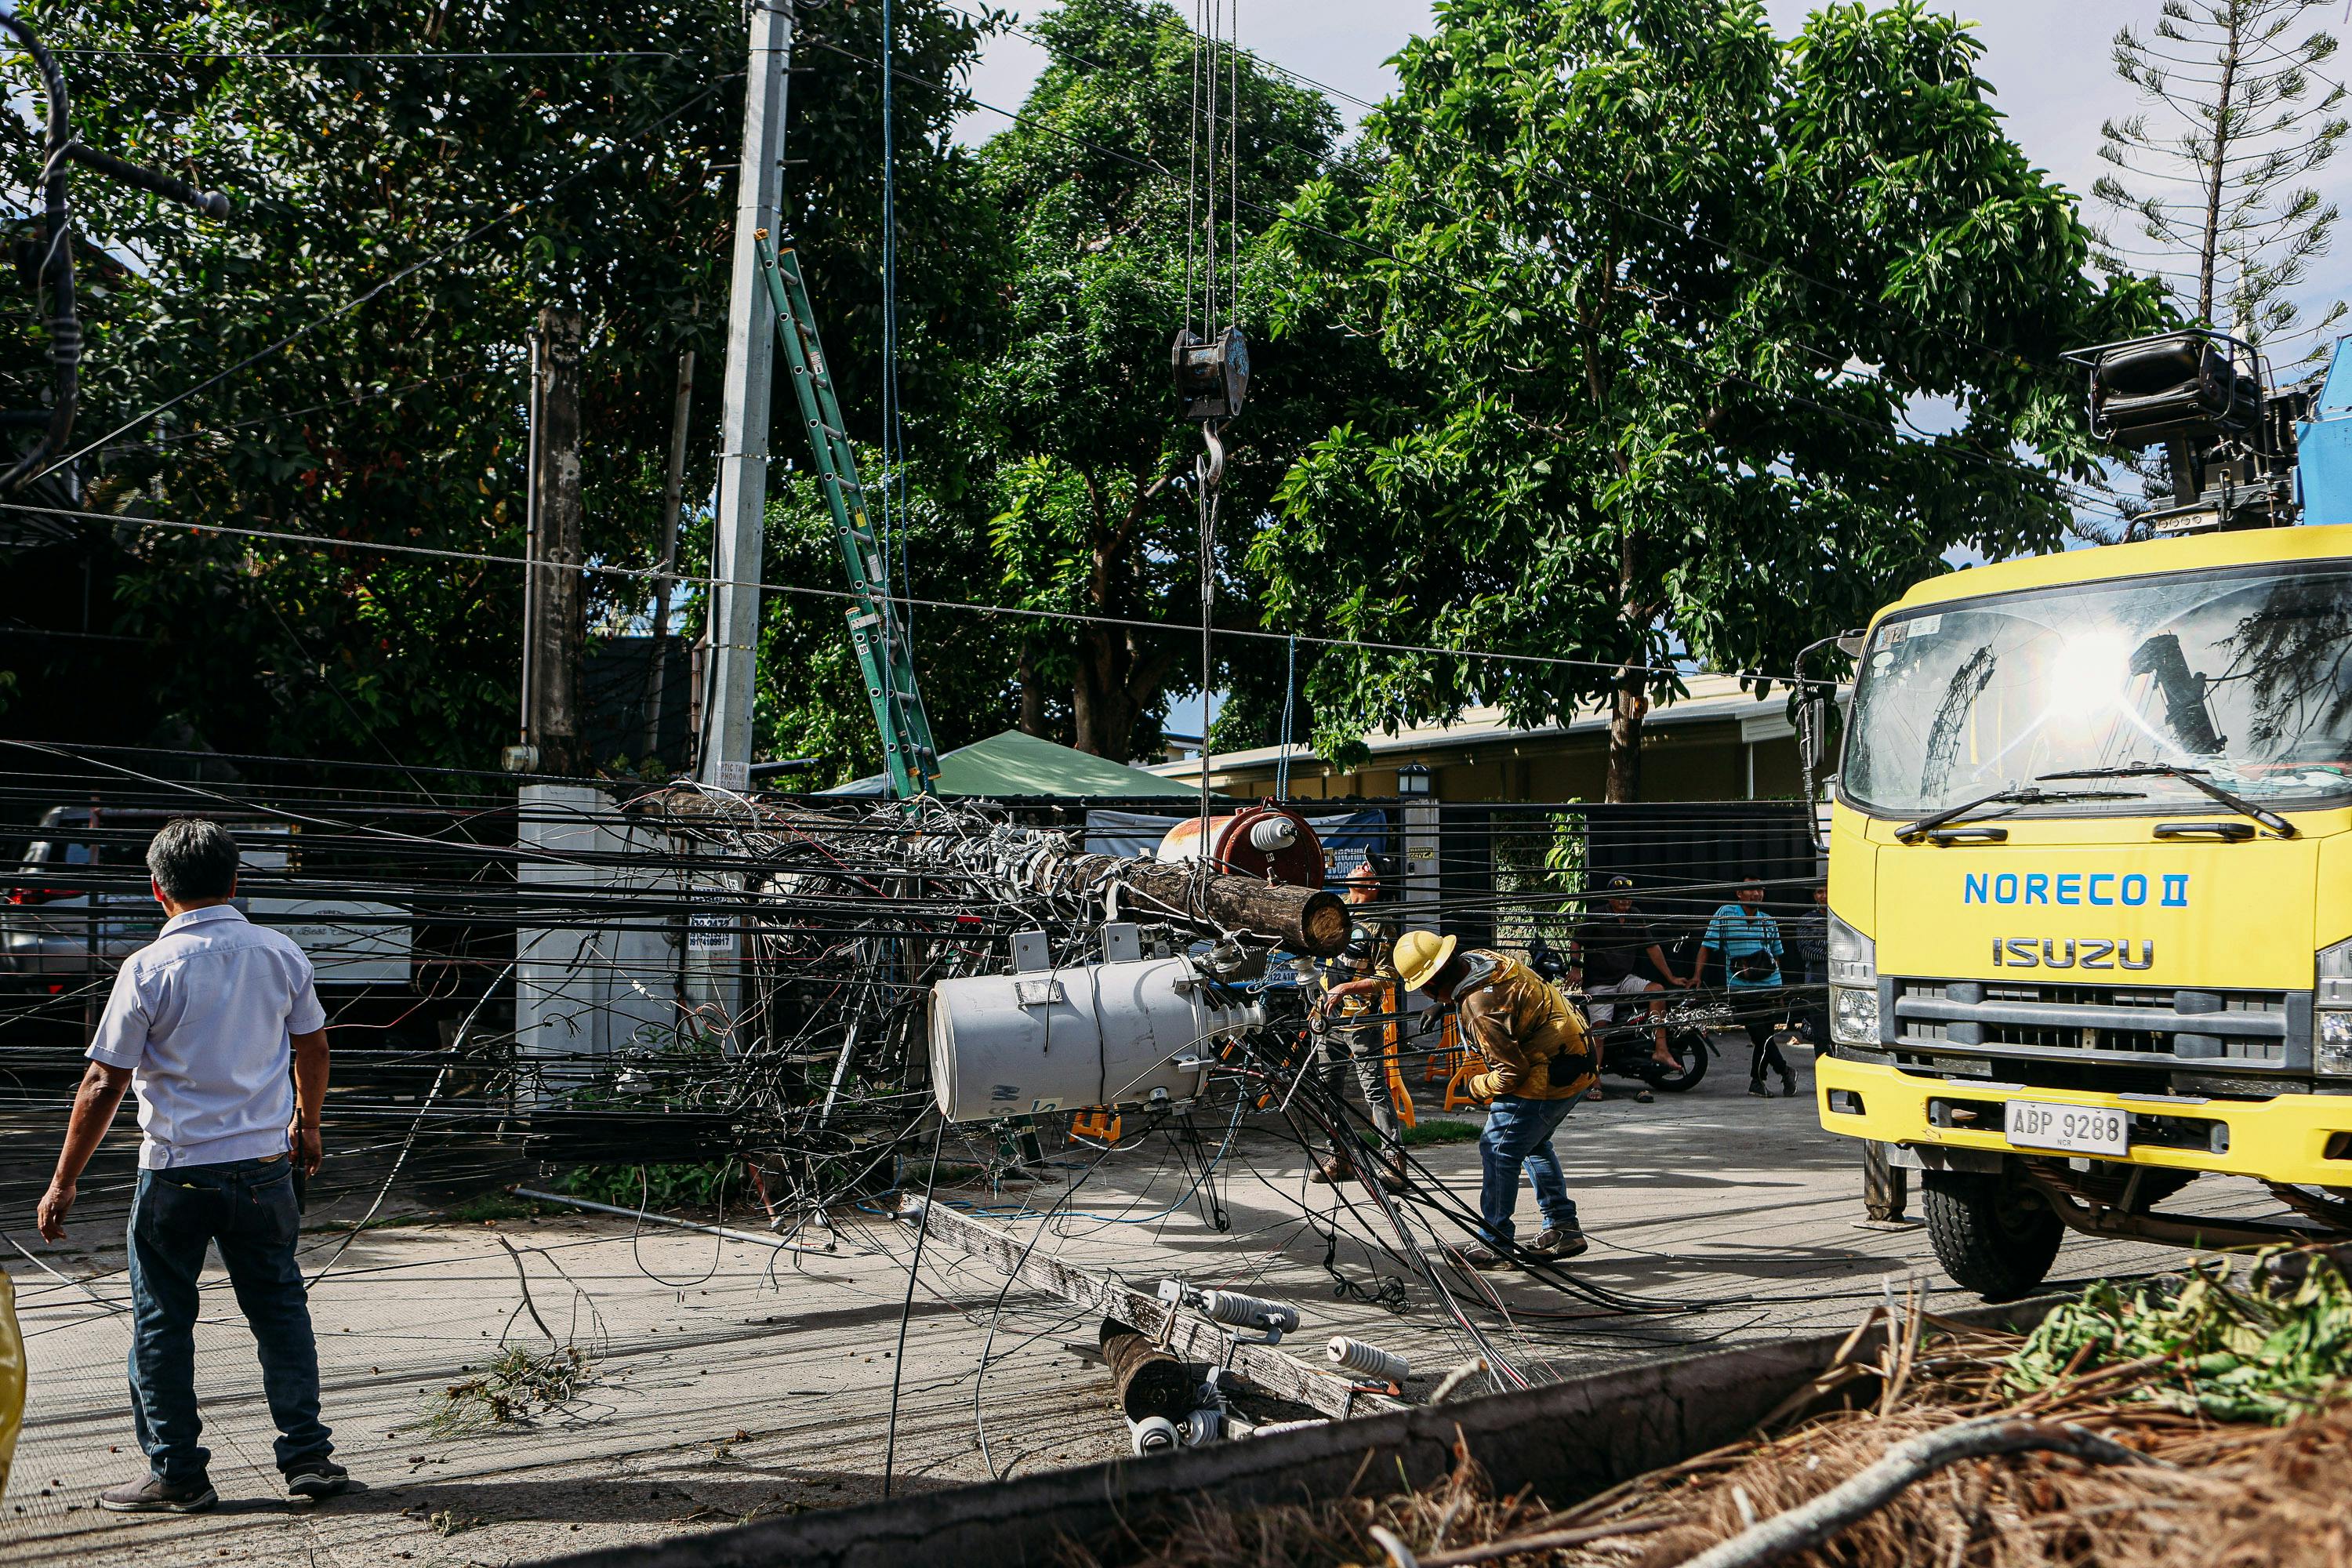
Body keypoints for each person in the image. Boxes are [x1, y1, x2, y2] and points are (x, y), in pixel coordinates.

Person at [36, 818, 347, 1513]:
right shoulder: (280, 953)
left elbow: (101, 1084)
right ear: (234, 883)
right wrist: (310, 1122)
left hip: (175, 1172)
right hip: (266, 1170)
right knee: (280, 1311)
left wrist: (63, 1181)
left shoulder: (148, 968)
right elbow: (315, 1048)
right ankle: (308, 1457)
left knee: (162, 1321)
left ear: (157, 891)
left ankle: (178, 1472)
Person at [1392, 929, 1594, 1269]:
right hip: (1578, 1054)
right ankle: (1563, 1226)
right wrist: (1442, 1004)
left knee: (1498, 1147)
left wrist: (1476, 1087)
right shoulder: (1483, 959)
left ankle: (1495, 1241)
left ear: (1428, 984)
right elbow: (1467, 986)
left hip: (1549, 1070)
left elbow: (1511, 1072)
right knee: (1532, 1143)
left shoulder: (1479, 1007)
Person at [1310, 858, 1406, 1192]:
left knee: (1375, 1090)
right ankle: (1338, 1156)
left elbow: (1388, 978)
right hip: (1327, 1019)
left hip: (1361, 1021)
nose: (1360, 866)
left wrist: (1344, 988)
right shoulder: (1336, 911)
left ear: (1373, 884)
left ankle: (1394, 1160)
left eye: (1367, 866)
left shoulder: (1381, 926)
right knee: (1328, 1091)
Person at [1571, 874, 1686, 1104]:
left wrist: (1670, 977)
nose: (1625, 901)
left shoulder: (1636, 916)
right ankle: (1595, 1081)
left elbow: (1652, 947)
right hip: (1599, 984)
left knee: (1657, 990)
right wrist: (1575, 969)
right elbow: (1576, 941)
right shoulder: (1597, 915)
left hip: (1624, 979)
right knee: (1600, 1028)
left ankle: (1660, 1048)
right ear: (1610, 897)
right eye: (1620, 897)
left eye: (1628, 897)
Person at [1691, 876, 1792, 1097]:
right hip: (1740, 986)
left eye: (1761, 889)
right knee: (1759, 1034)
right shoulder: (1725, 913)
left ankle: (1757, 1082)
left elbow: (1776, 957)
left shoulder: (1768, 920)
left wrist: (1780, 991)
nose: (1757, 894)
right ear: (1739, 893)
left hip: (1769, 985)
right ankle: (1785, 1071)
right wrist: (1697, 976)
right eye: (1751, 889)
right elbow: (1707, 946)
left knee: (1763, 1037)